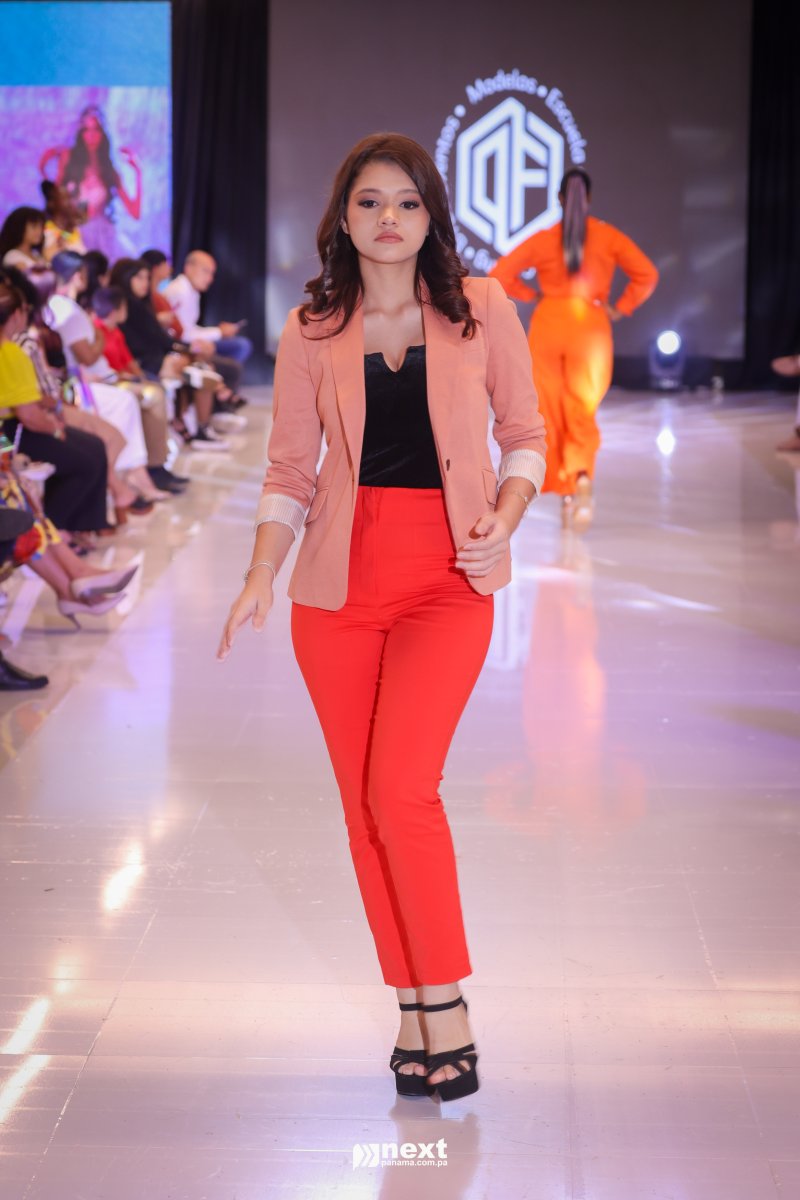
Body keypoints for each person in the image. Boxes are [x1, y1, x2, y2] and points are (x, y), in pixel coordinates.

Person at [216, 133, 547, 1102]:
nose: (388, 218)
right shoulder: (312, 327)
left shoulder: (481, 307)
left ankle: (444, 1001)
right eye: (369, 202)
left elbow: (525, 435)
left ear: (430, 214)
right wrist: (259, 571)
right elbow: (289, 470)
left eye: (405, 201)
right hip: (338, 587)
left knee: (403, 788)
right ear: (344, 218)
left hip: (447, 576)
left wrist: (504, 519)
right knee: (363, 807)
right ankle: (411, 1008)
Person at [489, 169, 658, 531]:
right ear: (589, 199)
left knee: (547, 412)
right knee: (581, 408)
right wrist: (621, 307)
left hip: (549, 323)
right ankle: (580, 477)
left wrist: (533, 295)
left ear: (559, 198)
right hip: (590, 327)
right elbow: (647, 274)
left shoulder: (543, 239)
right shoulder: (608, 236)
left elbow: (500, 273)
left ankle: (565, 491)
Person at [45, 251, 169, 502]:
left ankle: (134, 475)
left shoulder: (64, 307)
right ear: (78, 275)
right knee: (128, 403)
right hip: (79, 385)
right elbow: (86, 357)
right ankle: (129, 478)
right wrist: (99, 337)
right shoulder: (66, 310)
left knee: (135, 401)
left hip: (79, 382)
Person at [109, 258, 227, 454]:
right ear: (126, 278)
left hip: (155, 359)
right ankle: (198, 427)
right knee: (203, 373)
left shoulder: (141, 304)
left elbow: (161, 339)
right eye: (139, 278)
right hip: (146, 363)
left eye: (147, 278)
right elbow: (149, 342)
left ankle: (197, 425)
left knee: (203, 370)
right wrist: (186, 349)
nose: (145, 283)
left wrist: (186, 349)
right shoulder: (128, 307)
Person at [39, 104, 141, 259]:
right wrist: (44, 164)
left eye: (96, 129)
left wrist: (138, 173)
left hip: (103, 235)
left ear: (103, 133)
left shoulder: (110, 170)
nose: (91, 135)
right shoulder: (68, 159)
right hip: (74, 233)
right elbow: (55, 199)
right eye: (87, 130)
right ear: (81, 133)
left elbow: (135, 212)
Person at [164, 251, 251, 402]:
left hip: (189, 343)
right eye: (205, 271)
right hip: (181, 347)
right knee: (239, 348)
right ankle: (221, 397)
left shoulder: (191, 292)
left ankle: (221, 394)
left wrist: (218, 332)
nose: (210, 279)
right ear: (188, 268)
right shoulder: (180, 291)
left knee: (239, 346)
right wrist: (219, 332)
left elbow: (189, 328)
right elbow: (183, 335)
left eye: (212, 274)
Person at [40, 180, 87, 262]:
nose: (69, 202)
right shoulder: (46, 228)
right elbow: (50, 255)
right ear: (52, 203)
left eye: (69, 198)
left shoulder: (75, 226)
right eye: (64, 198)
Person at [0, 207, 49, 272]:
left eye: (41, 227)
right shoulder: (13, 256)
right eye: (34, 226)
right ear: (19, 227)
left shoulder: (36, 254)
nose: (39, 232)